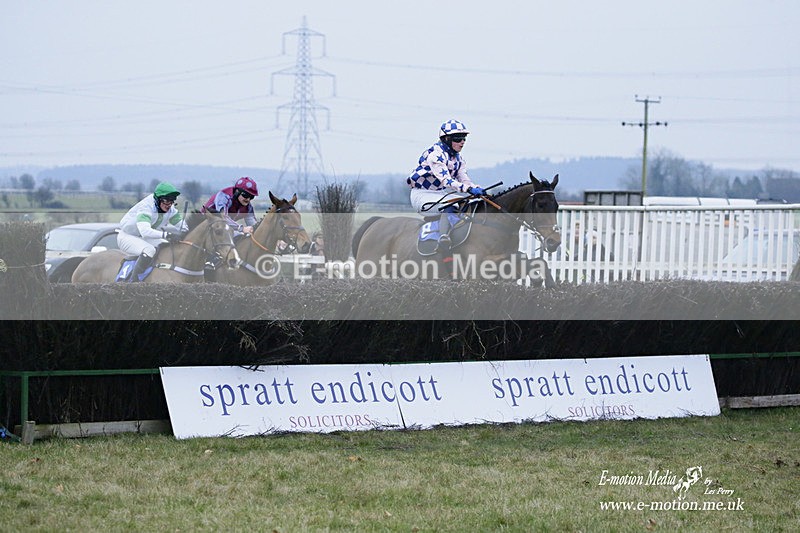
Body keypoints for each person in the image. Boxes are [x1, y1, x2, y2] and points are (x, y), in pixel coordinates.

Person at [407, 119, 487, 251]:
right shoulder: (436, 155)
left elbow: (464, 179)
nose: (462, 142)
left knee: (466, 202)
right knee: (452, 204)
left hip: (439, 194)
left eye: (464, 138)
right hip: (422, 195)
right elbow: (447, 181)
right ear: (447, 139)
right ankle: (443, 237)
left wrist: (475, 187)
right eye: (458, 138)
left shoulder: (459, 159)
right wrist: (469, 189)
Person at [117, 182, 187, 282]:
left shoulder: (170, 209)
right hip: (127, 236)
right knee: (149, 250)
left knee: (166, 246)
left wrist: (187, 233)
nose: (169, 204)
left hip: (143, 237)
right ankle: (133, 281)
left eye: (171, 201)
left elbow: (184, 227)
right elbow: (145, 231)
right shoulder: (146, 207)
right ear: (158, 199)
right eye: (166, 200)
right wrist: (167, 234)